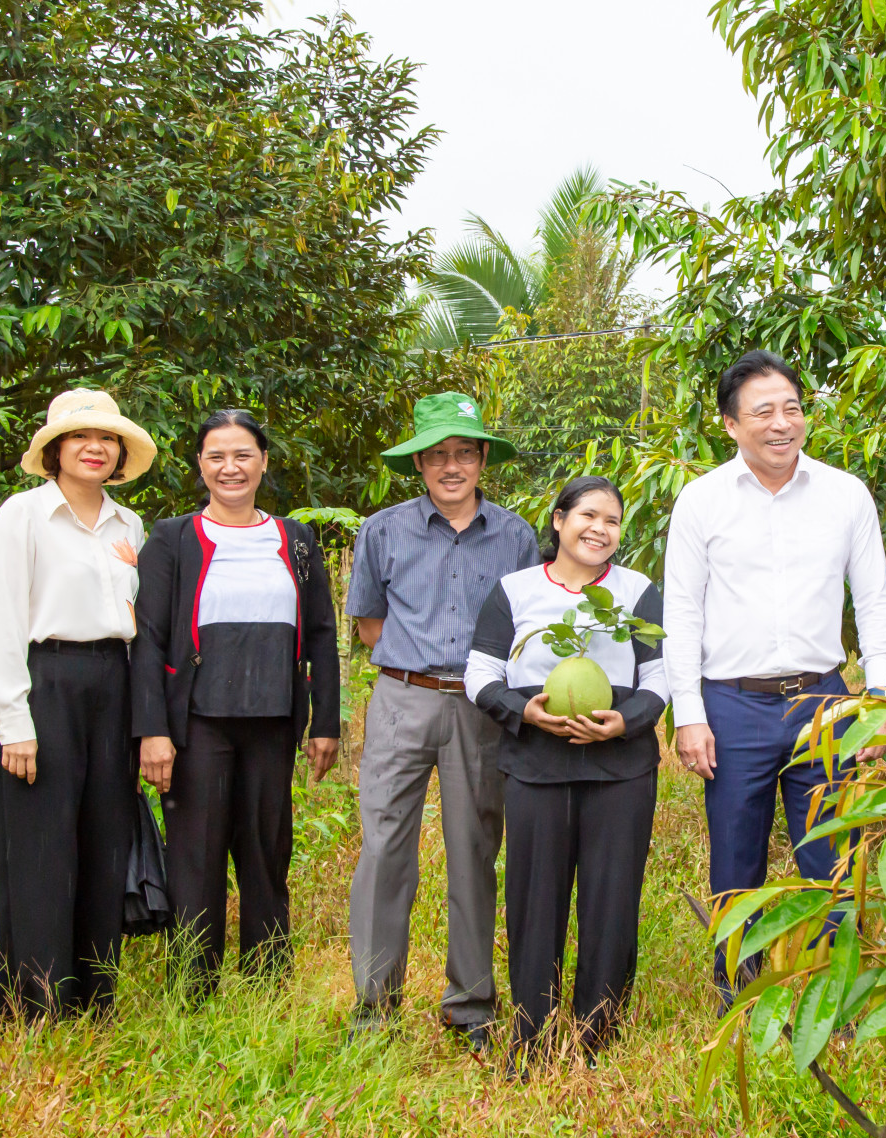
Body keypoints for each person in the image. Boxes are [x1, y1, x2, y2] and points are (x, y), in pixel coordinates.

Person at [664, 350, 886, 999]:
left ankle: (837, 990)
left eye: (791, 407)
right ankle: (737, 992)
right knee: (735, 858)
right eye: (762, 411)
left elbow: (875, 603)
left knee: (833, 854)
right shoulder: (702, 501)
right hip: (732, 704)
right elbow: (682, 609)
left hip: (824, 699)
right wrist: (689, 711)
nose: (781, 422)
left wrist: (878, 703)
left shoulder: (845, 496)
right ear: (730, 424)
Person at [346, 392, 538, 1047]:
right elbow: (371, 624)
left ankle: (471, 1006)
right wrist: (416, 668)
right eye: (437, 455)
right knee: (383, 850)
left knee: (474, 851)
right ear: (419, 464)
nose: (451, 466)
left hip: (481, 707)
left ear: (483, 458)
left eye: (463, 452)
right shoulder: (383, 530)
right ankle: (374, 1008)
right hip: (401, 698)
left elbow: (526, 628)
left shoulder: (515, 536)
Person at [131, 409, 341, 995]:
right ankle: (193, 988)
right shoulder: (172, 538)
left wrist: (325, 720)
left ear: (264, 461)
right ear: (200, 464)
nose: (231, 467)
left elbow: (321, 631)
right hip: (197, 722)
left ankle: (267, 983)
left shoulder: (294, 538)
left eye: (243, 454)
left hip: (273, 718)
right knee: (196, 858)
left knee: (267, 851)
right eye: (217, 456)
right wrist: (152, 730)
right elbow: (147, 638)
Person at [463, 476, 668, 1072]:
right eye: (588, 515)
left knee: (612, 899)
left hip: (620, 767)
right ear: (558, 521)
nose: (599, 529)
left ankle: (597, 1036)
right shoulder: (515, 590)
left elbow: (659, 677)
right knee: (534, 897)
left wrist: (623, 723)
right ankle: (531, 1035)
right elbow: (480, 671)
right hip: (535, 763)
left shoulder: (636, 592)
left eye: (612, 520)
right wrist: (521, 710)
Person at [0, 388, 157, 1020]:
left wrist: (145, 724)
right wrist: (14, 723)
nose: (96, 448)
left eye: (108, 439)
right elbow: (2, 624)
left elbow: (139, 625)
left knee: (105, 841)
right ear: (56, 449)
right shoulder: (22, 517)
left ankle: (94, 998)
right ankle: (36, 1002)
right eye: (82, 437)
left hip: (114, 684)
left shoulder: (129, 525)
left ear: (119, 453)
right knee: (41, 846)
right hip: (47, 682)